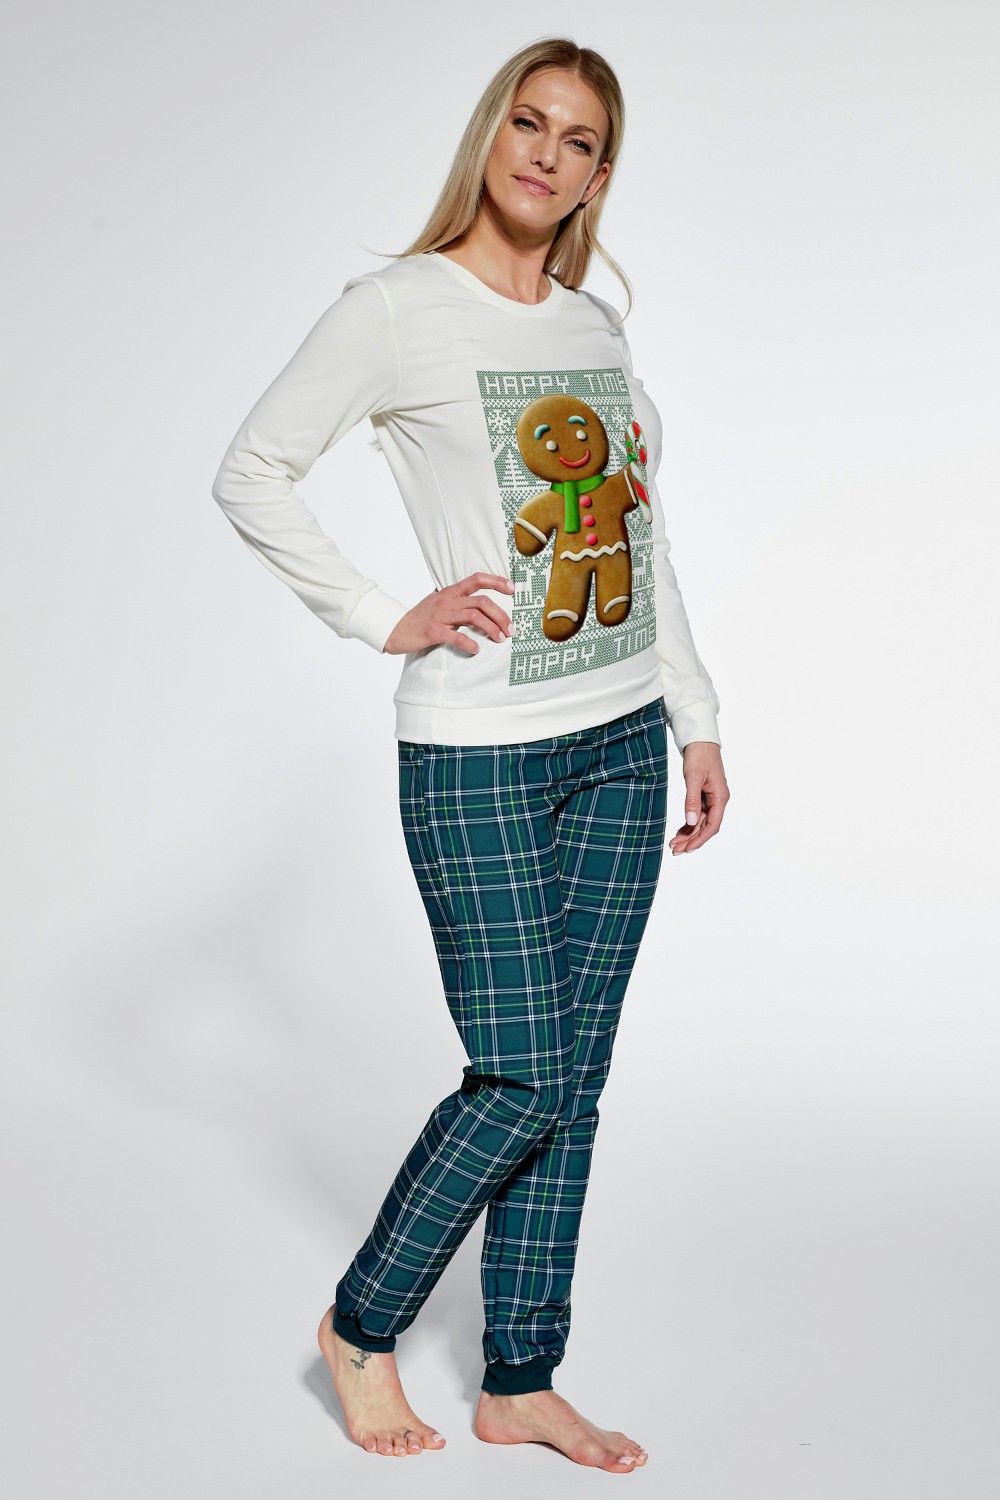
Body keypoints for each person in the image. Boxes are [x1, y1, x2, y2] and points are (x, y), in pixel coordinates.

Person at [211, 35, 729, 1473]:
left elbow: (636, 541)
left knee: (576, 1080)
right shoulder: (394, 310)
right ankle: (362, 1324)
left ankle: (520, 1377)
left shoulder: (594, 330)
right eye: (528, 123)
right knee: (520, 1074)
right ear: (490, 135)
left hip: (621, 744)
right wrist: (382, 614)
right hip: (481, 753)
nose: (546, 155)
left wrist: (695, 715)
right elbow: (252, 469)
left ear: (598, 178)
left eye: (579, 140)